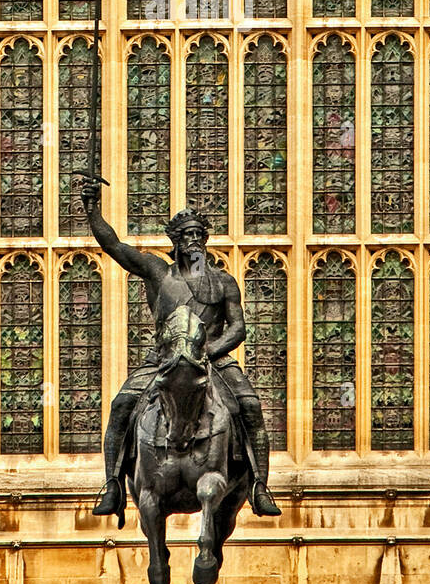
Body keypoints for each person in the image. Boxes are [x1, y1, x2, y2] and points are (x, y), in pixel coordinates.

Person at [79, 177, 281, 520]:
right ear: (175, 242)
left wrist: (210, 351)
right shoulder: (159, 272)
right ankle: (112, 485)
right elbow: (114, 245)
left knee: (250, 406)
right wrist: (92, 209)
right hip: (164, 358)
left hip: (213, 359)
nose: (194, 241)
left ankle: (260, 485)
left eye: (199, 235)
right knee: (121, 406)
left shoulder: (222, 282)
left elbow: (238, 327)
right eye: (187, 235)